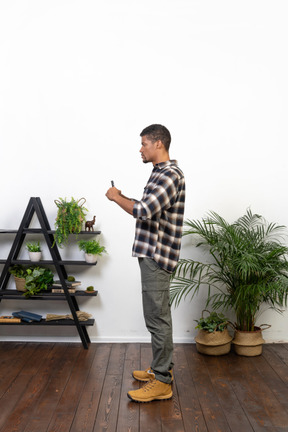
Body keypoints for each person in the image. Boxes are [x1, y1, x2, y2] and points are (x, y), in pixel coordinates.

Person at [105, 124, 185, 402]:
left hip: (157, 254)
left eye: (144, 144)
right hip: (150, 252)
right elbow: (147, 206)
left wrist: (116, 198)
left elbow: (143, 210)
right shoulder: (160, 173)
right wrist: (125, 196)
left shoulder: (170, 175)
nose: (140, 149)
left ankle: (162, 380)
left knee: (157, 317)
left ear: (159, 144)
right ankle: (162, 370)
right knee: (156, 315)